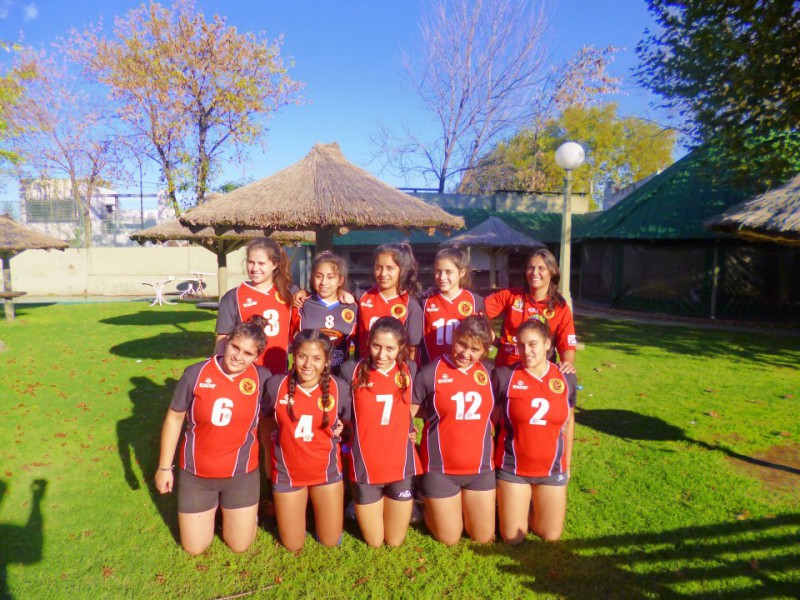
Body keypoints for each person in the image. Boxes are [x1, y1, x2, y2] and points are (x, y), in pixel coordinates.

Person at [155, 316, 271, 555]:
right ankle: (217, 510)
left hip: (241, 475)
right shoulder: (195, 373)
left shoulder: (262, 378)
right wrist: (164, 467)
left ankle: (244, 513)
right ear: (226, 342)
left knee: (239, 545)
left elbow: (283, 411)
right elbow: (175, 418)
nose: (238, 356)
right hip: (197, 475)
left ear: (257, 357)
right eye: (235, 347)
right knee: (195, 548)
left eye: (248, 353)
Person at [262, 329, 350, 551]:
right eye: (302, 356)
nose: (308, 364)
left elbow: (351, 422)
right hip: (288, 473)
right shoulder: (276, 386)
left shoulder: (339, 388)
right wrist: (269, 454)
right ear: (293, 354)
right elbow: (266, 422)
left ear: (327, 360)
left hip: (326, 473)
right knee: (293, 544)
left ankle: (318, 514)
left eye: (317, 358)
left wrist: (341, 428)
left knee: (330, 541)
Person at [412, 315, 496, 546]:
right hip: (441, 471)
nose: (465, 353)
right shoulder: (430, 372)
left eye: (474, 349)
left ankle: (455, 506)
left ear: (484, 351)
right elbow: (408, 412)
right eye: (461, 344)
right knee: (449, 538)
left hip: (480, 470)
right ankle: (424, 502)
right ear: (454, 337)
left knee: (482, 536)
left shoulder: (490, 373)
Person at [340, 317, 421, 547]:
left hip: (400, 463)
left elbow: (410, 405)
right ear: (368, 342)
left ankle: (415, 503)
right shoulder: (351, 370)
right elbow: (342, 412)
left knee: (394, 541)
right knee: (375, 542)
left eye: (390, 348)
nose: (382, 355)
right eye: (376, 346)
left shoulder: (409, 369)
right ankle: (355, 500)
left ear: (401, 347)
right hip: (366, 463)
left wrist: (409, 425)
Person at [493, 316, 573, 543]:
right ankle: (511, 503)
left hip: (551, 469)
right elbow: (490, 422)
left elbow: (569, 422)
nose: (526, 351)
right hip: (513, 469)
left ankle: (527, 506)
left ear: (547, 344)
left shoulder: (565, 377)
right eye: (521, 345)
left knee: (550, 535)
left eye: (532, 344)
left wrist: (567, 464)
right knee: (512, 538)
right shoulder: (505, 376)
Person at [484, 248, 578, 402]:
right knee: (499, 415)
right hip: (506, 372)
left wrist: (567, 363)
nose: (534, 272)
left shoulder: (560, 307)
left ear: (552, 272)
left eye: (541, 268)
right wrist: (494, 340)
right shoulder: (511, 296)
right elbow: (476, 310)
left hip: (538, 376)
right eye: (530, 268)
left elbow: (567, 344)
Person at [215, 238, 297, 375]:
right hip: (243, 375)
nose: (254, 268)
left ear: (275, 264)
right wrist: (219, 372)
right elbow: (222, 341)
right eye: (251, 262)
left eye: (261, 263)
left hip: (278, 374)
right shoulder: (233, 297)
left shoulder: (289, 293)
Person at [290, 251, 357, 373]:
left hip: (338, 376)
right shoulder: (301, 304)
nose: (323, 282)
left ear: (340, 280)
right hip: (306, 375)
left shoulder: (352, 307)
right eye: (318, 276)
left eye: (330, 277)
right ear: (312, 277)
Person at [356, 242, 423, 361]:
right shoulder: (361, 296)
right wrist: (341, 292)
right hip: (364, 367)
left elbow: (412, 349)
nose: (383, 273)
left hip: (394, 369)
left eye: (390, 268)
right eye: (378, 267)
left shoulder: (411, 305)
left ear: (403, 270)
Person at [420, 244, 485, 364]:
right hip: (432, 369)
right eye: (438, 271)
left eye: (448, 272)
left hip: (463, 368)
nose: (442, 277)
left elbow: (482, 339)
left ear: (462, 272)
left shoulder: (475, 301)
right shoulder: (425, 301)